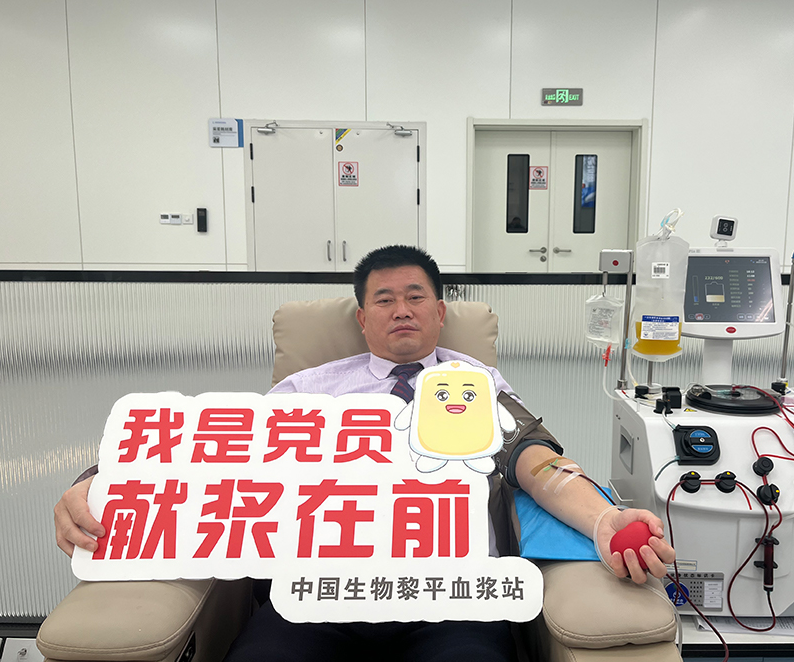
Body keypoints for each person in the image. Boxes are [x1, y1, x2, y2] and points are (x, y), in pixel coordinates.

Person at [54, 245, 675, 662]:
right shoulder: (306, 389)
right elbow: (211, 454)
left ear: (439, 311)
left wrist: (604, 517)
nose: (401, 310)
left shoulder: (475, 382)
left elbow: (534, 461)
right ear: (362, 317)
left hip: (452, 596)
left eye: (415, 296)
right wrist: (100, 481)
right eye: (384, 299)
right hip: (316, 594)